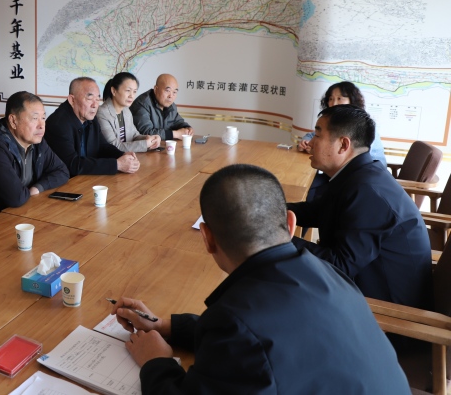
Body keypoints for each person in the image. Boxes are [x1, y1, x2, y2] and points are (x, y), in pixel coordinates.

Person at [110, 164, 410, 394]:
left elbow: (246, 337)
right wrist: (166, 327)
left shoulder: (235, 320)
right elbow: (268, 338)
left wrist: (156, 361)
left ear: (207, 238)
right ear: (290, 224)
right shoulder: (328, 272)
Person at [289, 104, 432, 308]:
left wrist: (278, 236)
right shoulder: (356, 174)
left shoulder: (367, 192)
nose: (310, 143)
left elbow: (339, 266)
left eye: (317, 135)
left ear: (343, 145)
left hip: (385, 310)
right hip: (361, 284)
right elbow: (317, 211)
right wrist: (269, 210)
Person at [0, 91, 69, 216]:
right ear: (13, 121)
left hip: (18, 213)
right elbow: (16, 198)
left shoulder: (37, 142)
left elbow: (62, 171)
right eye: (34, 118)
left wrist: (37, 188)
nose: (41, 125)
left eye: (43, 118)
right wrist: (30, 192)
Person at [45, 77, 140, 176]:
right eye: (89, 99)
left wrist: (122, 155)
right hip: (67, 181)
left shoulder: (89, 116)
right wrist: (117, 164)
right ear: (72, 100)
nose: (95, 105)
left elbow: (103, 146)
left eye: (97, 99)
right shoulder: (58, 124)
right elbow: (72, 164)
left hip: (87, 178)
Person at [297, 81, 386, 167]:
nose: (334, 103)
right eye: (331, 99)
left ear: (352, 100)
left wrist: (316, 148)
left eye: (339, 98)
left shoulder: (360, 124)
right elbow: (313, 134)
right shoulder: (337, 121)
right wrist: (306, 142)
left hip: (363, 172)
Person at [96, 72, 161, 152]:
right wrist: (145, 144)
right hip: (112, 158)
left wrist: (150, 138)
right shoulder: (102, 113)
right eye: (128, 90)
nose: (131, 95)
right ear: (114, 91)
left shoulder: (126, 111)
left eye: (134, 91)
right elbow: (113, 146)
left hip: (128, 157)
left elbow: (134, 136)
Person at [130, 74, 194, 140]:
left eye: (174, 92)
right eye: (167, 91)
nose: (171, 96)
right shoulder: (142, 104)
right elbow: (146, 132)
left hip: (161, 145)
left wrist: (187, 128)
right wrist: (175, 134)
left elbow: (178, 122)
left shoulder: (171, 106)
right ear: (156, 89)